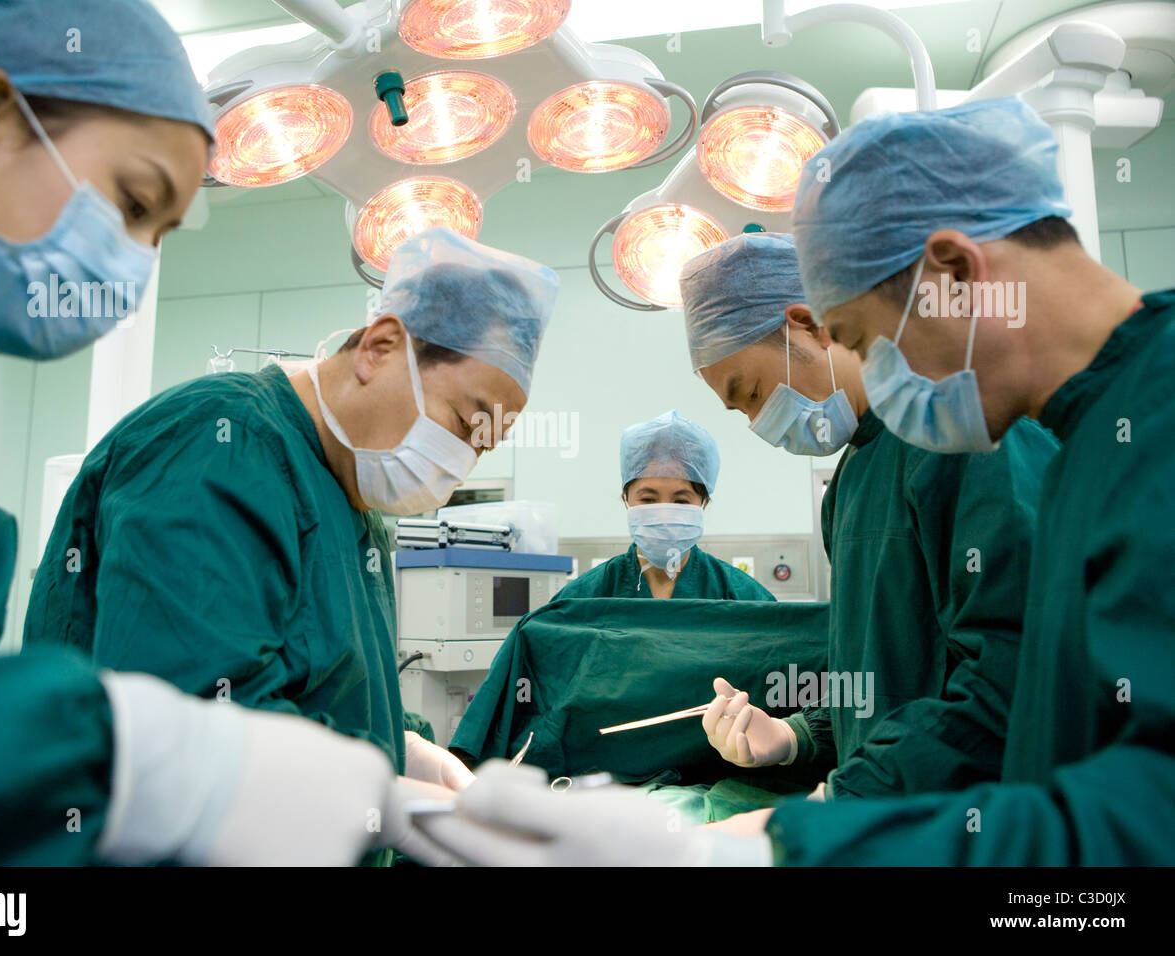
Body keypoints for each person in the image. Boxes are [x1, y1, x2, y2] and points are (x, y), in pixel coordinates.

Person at [411, 96, 1175, 866]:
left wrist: (788, 835)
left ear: (952, 274)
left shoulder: (1117, 427)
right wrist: (802, 745)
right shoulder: (1079, 436)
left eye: (866, 340)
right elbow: (953, 699)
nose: (880, 374)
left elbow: (1071, 754)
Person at [0, 0, 450, 866]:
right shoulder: (223, 442)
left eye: (160, 235)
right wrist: (152, 759)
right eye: (133, 202)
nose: (134, 271)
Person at [24, 226, 560, 828]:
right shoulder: (218, 444)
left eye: (488, 445)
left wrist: (405, 749)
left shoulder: (354, 500)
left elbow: (335, 687)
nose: (466, 458)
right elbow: (189, 724)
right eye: (466, 423)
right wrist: (389, 799)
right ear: (380, 347)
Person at [677, 232, 1057, 802]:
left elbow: (1017, 678)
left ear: (806, 323)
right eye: (742, 412)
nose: (759, 422)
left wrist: (852, 797)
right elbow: (881, 678)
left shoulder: (966, 433)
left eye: (753, 392)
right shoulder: (850, 481)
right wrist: (794, 735)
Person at [552, 410, 773, 601]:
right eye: (648, 500)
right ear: (626, 499)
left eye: (681, 501)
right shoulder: (586, 597)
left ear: (703, 504)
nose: (665, 512)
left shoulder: (739, 595)